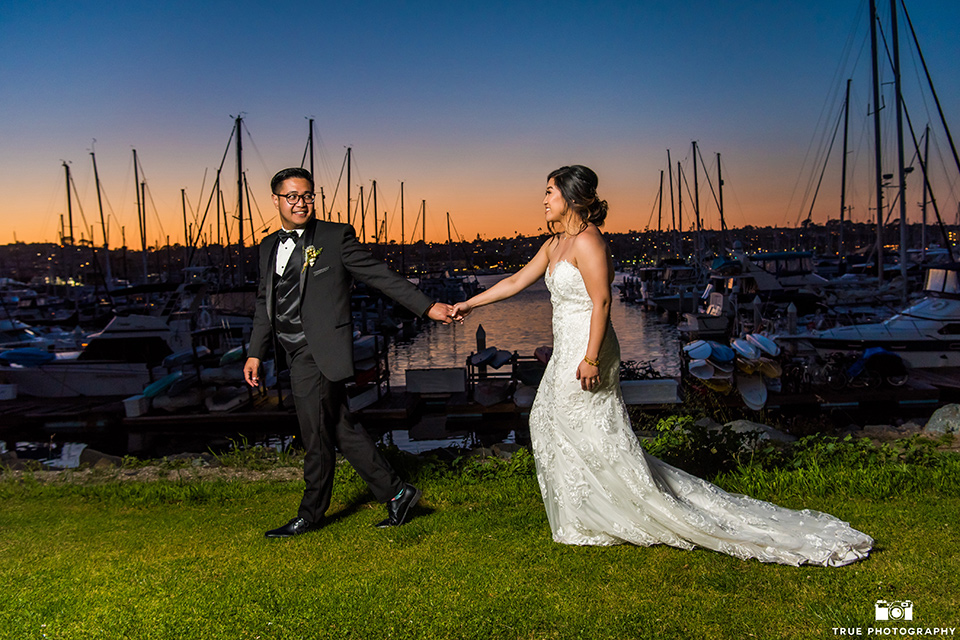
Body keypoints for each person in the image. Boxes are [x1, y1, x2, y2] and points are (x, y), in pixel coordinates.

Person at [451, 165, 872, 566]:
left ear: (573, 197)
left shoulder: (589, 241)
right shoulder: (554, 243)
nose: (543, 199)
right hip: (567, 346)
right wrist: (467, 304)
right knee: (548, 419)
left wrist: (592, 357)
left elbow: (601, 301)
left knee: (585, 425)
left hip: (590, 345)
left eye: (549, 191)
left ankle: (619, 510)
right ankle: (588, 512)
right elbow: (513, 282)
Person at [244, 167, 455, 538]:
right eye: (292, 196)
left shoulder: (333, 236)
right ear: (276, 200)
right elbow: (266, 303)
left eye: (307, 195)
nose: (301, 202)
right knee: (341, 426)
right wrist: (255, 352)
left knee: (315, 435)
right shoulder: (267, 247)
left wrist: (427, 306)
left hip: (318, 349)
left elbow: (380, 275)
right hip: (290, 350)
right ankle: (397, 493)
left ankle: (310, 514)